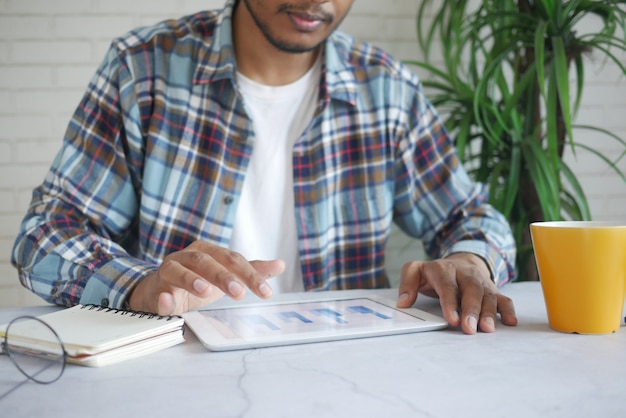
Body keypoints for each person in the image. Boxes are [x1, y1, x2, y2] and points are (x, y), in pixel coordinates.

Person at [12, 0, 518, 335]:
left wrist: (470, 261)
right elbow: (44, 235)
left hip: (351, 373)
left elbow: (471, 217)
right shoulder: (143, 69)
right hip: (177, 369)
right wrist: (138, 285)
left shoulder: (385, 89)